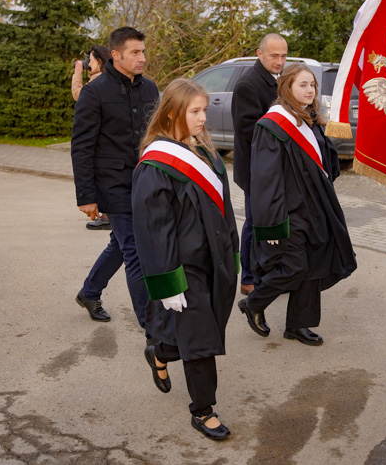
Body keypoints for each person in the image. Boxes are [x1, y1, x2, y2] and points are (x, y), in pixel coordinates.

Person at [132, 78, 239, 441]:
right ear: (173, 112)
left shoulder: (205, 154)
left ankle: (160, 352)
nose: (202, 118)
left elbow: (224, 211)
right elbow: (152, 228)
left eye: (204, 110)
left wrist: (234, 253)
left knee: (194, 333)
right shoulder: (157, 163)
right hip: (182, 266)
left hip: (213, 260)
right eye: (195, 111)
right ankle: (203, 410)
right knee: (200, 338)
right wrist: (166, 280)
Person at [237, 64, 356, 346]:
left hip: (314, 207)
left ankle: (297, 325)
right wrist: (272, 226)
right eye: (302, 85)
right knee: (294, 267)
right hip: (289, 212)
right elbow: (266, 181)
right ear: (286, 87)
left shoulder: (309, 119)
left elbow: (326, 164)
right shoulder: (272, 125)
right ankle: (253, 303)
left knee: (313, 265)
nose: (309, 90)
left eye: (312, 85)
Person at [71, 27, 159, 328]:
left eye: (143, 51)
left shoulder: (150, 89)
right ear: (116, 55)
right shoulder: (94, 92)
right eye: (135, 52)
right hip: (112, 184)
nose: (142, 58)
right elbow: (82, 146)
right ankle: (152, 329)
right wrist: (87, 196)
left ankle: (89, 291)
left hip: (145, 181)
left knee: (121, 245)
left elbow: (156, 136)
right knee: (134, 250)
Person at [231, 33, 288, 296]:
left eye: (283, 56)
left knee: (270, 220)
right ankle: (249, 277)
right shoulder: (249, 84)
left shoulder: (276, 81)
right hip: (256, 169)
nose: (279, 61)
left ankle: (267, 270)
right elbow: (248, 129)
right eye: (274, 55)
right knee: (255, 222)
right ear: (260, 53)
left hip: (271, 168)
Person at [71, 44, 112, 231]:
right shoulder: (111, 80)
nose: (89, 63)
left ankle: (106, 215)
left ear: (99, 62)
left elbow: (77, 95)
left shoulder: (95, 83)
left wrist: (77, 72)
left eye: (91, 60)